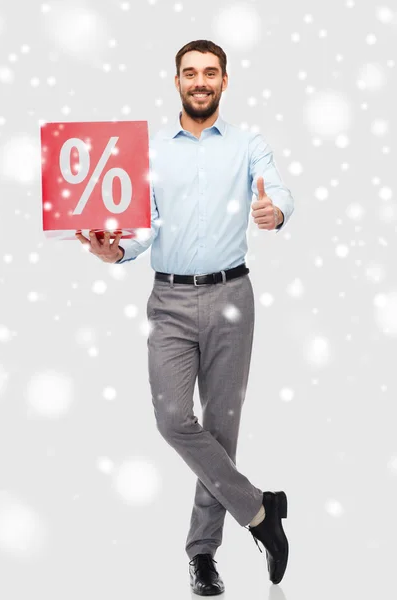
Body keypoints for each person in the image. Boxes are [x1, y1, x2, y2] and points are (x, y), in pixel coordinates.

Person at [76, 39, 294, 594]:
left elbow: (278, 189)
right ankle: (260, 512)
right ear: (176, 81)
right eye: (190, 73)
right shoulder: (147, 150)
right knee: (174, 420)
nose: (200, 81)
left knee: (221, 431)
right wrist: (117, 250)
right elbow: (142, 227)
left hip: (232, 298)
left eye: (211, 72)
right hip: (169, 302)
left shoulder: (248, 143)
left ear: (225, 80)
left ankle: (202, 554)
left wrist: (276, 210)